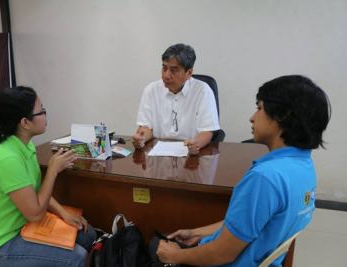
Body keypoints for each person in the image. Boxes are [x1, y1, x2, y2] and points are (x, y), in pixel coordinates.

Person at [150, 75, 331, 266]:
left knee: (155, 247)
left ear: (283, 115)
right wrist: (196, 233)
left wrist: (175, 256)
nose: (252, 117)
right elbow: (250, 224)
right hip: (264, 259)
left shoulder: (265, 178)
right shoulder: (304, 166)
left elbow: (221, 254)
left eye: (259, 108)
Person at [0, 86, 97, 267]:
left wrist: (64, 213)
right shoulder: (8, 159)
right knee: (76, 258)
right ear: (25, 122)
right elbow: (35, 213)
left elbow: (37, 193)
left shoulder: (25, 146)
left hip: (24, 225)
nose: (46, 116)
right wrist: (53, 171)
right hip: (2, 242)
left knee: (88, 235)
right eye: (42, 111)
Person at [132, 44, 220, 155]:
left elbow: (207, 131)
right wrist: (141, 138)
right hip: (158, 156)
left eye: (173, 70)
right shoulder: (151, 90)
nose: (166, 75)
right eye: (164, 68)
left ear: (189, 73)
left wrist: (197, 143)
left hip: (191, 155)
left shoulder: (203, 91)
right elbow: (146, 127)